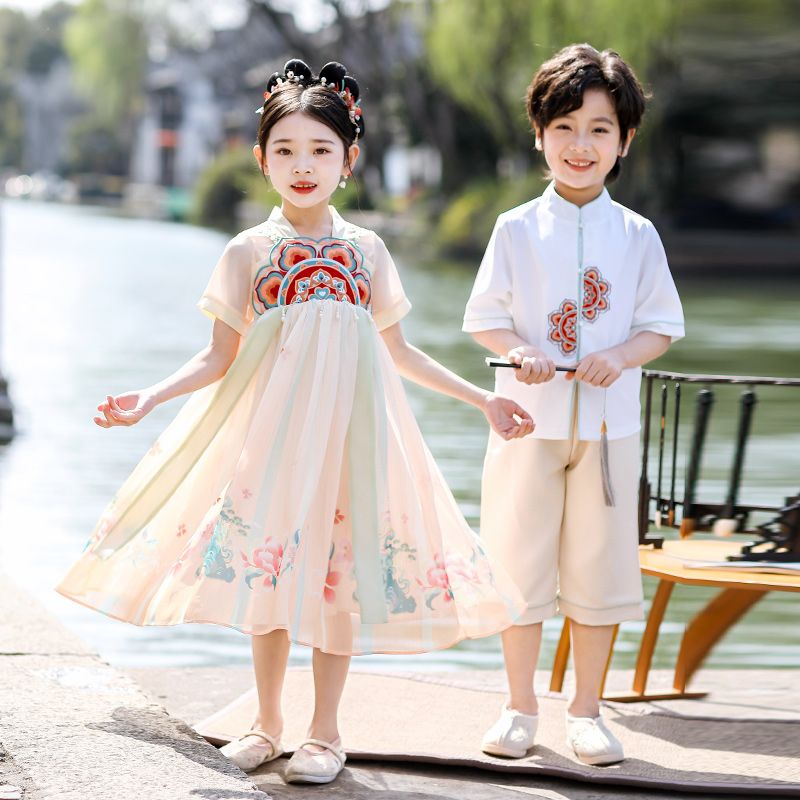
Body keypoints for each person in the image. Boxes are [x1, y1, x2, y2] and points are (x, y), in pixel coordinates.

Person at [57, 59, 532, 786]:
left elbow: (400, 352)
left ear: (349, 160)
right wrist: (149, 398)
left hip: (352, 441)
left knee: (337, 581)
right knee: (270, 579)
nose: (302, 166)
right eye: (285, 150)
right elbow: (219, 356)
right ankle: (266, 722)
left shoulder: (366, 251)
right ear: (260, 159)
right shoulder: (249, 251)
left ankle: (325, 731)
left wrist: (485, 400)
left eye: (320, 150)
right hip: (273, 443)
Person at [463, 44, 685, 766]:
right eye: (563, 127)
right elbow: (484, 319)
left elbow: (661, 327)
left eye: (598, 129)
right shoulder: (516, 228)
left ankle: (586, 711)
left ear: (624, 141)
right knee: (518, 563)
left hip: (610, 429)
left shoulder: (637, 235)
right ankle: (520, 706)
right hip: (526, 423)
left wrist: (619, 356)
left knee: (600, 567)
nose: (580, 145)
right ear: (538, 135)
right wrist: (520, 349)